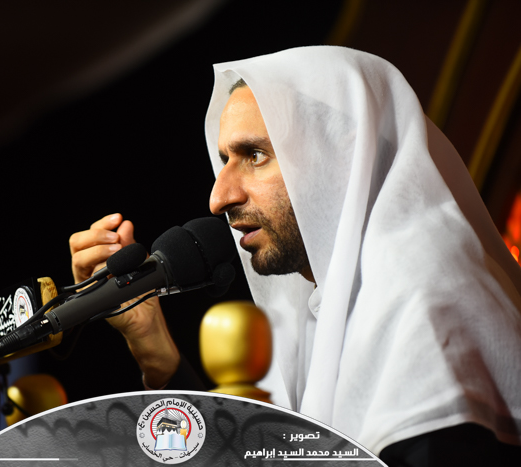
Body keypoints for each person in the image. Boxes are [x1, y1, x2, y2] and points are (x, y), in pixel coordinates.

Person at [68, 47, 521, 465]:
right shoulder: (326, 309)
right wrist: (155, 351)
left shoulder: (425, 303)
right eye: (225, 159)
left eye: (255, 155)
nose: (218, 198)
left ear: (342, 155)